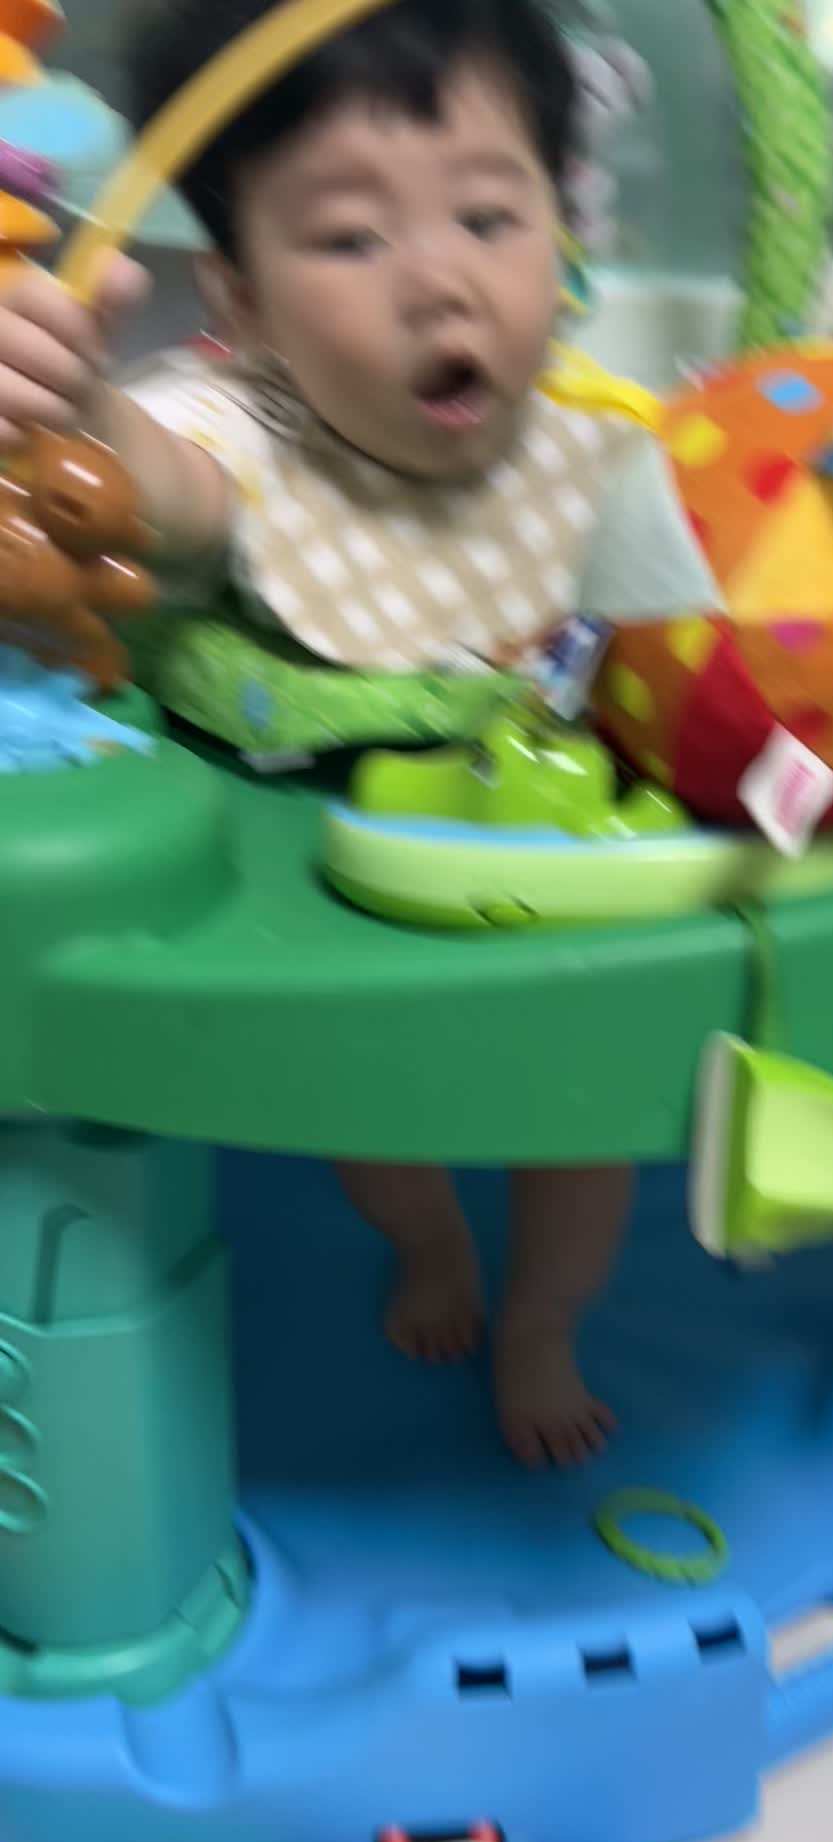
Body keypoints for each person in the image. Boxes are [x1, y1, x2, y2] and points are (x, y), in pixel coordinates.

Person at [0, 0, 641, 1468]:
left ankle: (544, 1321)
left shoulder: (597, 440)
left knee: (591, 1120)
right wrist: (81, 403)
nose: (442, 285)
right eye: (351, 239)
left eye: (490, 217)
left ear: (562, 229)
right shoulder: (247, 431)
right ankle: (432, 1248)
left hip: (568, 871)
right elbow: (166, 495)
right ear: (244, 299)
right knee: (377, 1123)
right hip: (340, 897)